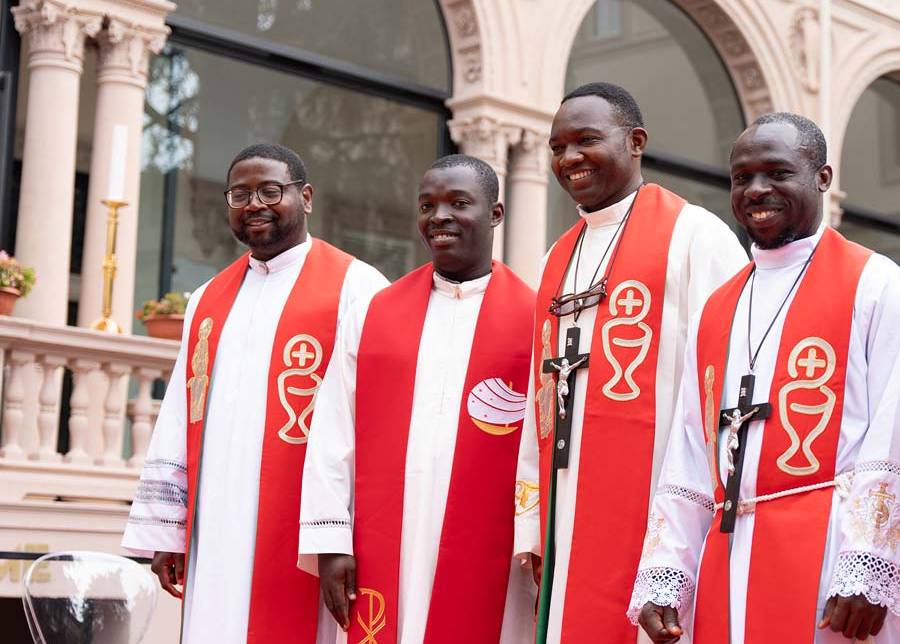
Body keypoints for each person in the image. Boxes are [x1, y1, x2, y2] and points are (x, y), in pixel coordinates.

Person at [630, 112, 900, 644]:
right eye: (742, 177)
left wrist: (868, 562)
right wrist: (668, 571)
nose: (756, 190)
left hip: (829, 555)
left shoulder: (876, 283)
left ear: (822, 178)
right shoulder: (719, 306)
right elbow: (689, 448)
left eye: (777, 173)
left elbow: (892, 429)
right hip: (729, 551)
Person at [121, 143, 388, 644]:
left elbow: (376, 422)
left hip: (306, 530)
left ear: (305, 197)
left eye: (270, 191)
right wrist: (168, 530)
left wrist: (341, 538)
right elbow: (180, 412)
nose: (254, 204)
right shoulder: (207, 300)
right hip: (215, 522)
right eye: (239, 194)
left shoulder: (359, 287)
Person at [514, 82, 747, 644]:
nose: (569, 159)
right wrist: (534, 527)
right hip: (565, 509)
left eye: (586, 140)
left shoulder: (695, 236)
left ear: (635, 141)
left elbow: (729, 384)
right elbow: (537, 399)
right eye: (557, 147)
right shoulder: (557, 255)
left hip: (660, 506)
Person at [298, 154, 536, 643]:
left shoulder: (534, 320)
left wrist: (536, 540)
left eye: (458, 203)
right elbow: (333, 429)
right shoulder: (375, 312)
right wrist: (330, 542)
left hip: (492, 551)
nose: (439, 217)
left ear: (495, 213)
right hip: (387, 541)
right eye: (427, 205)